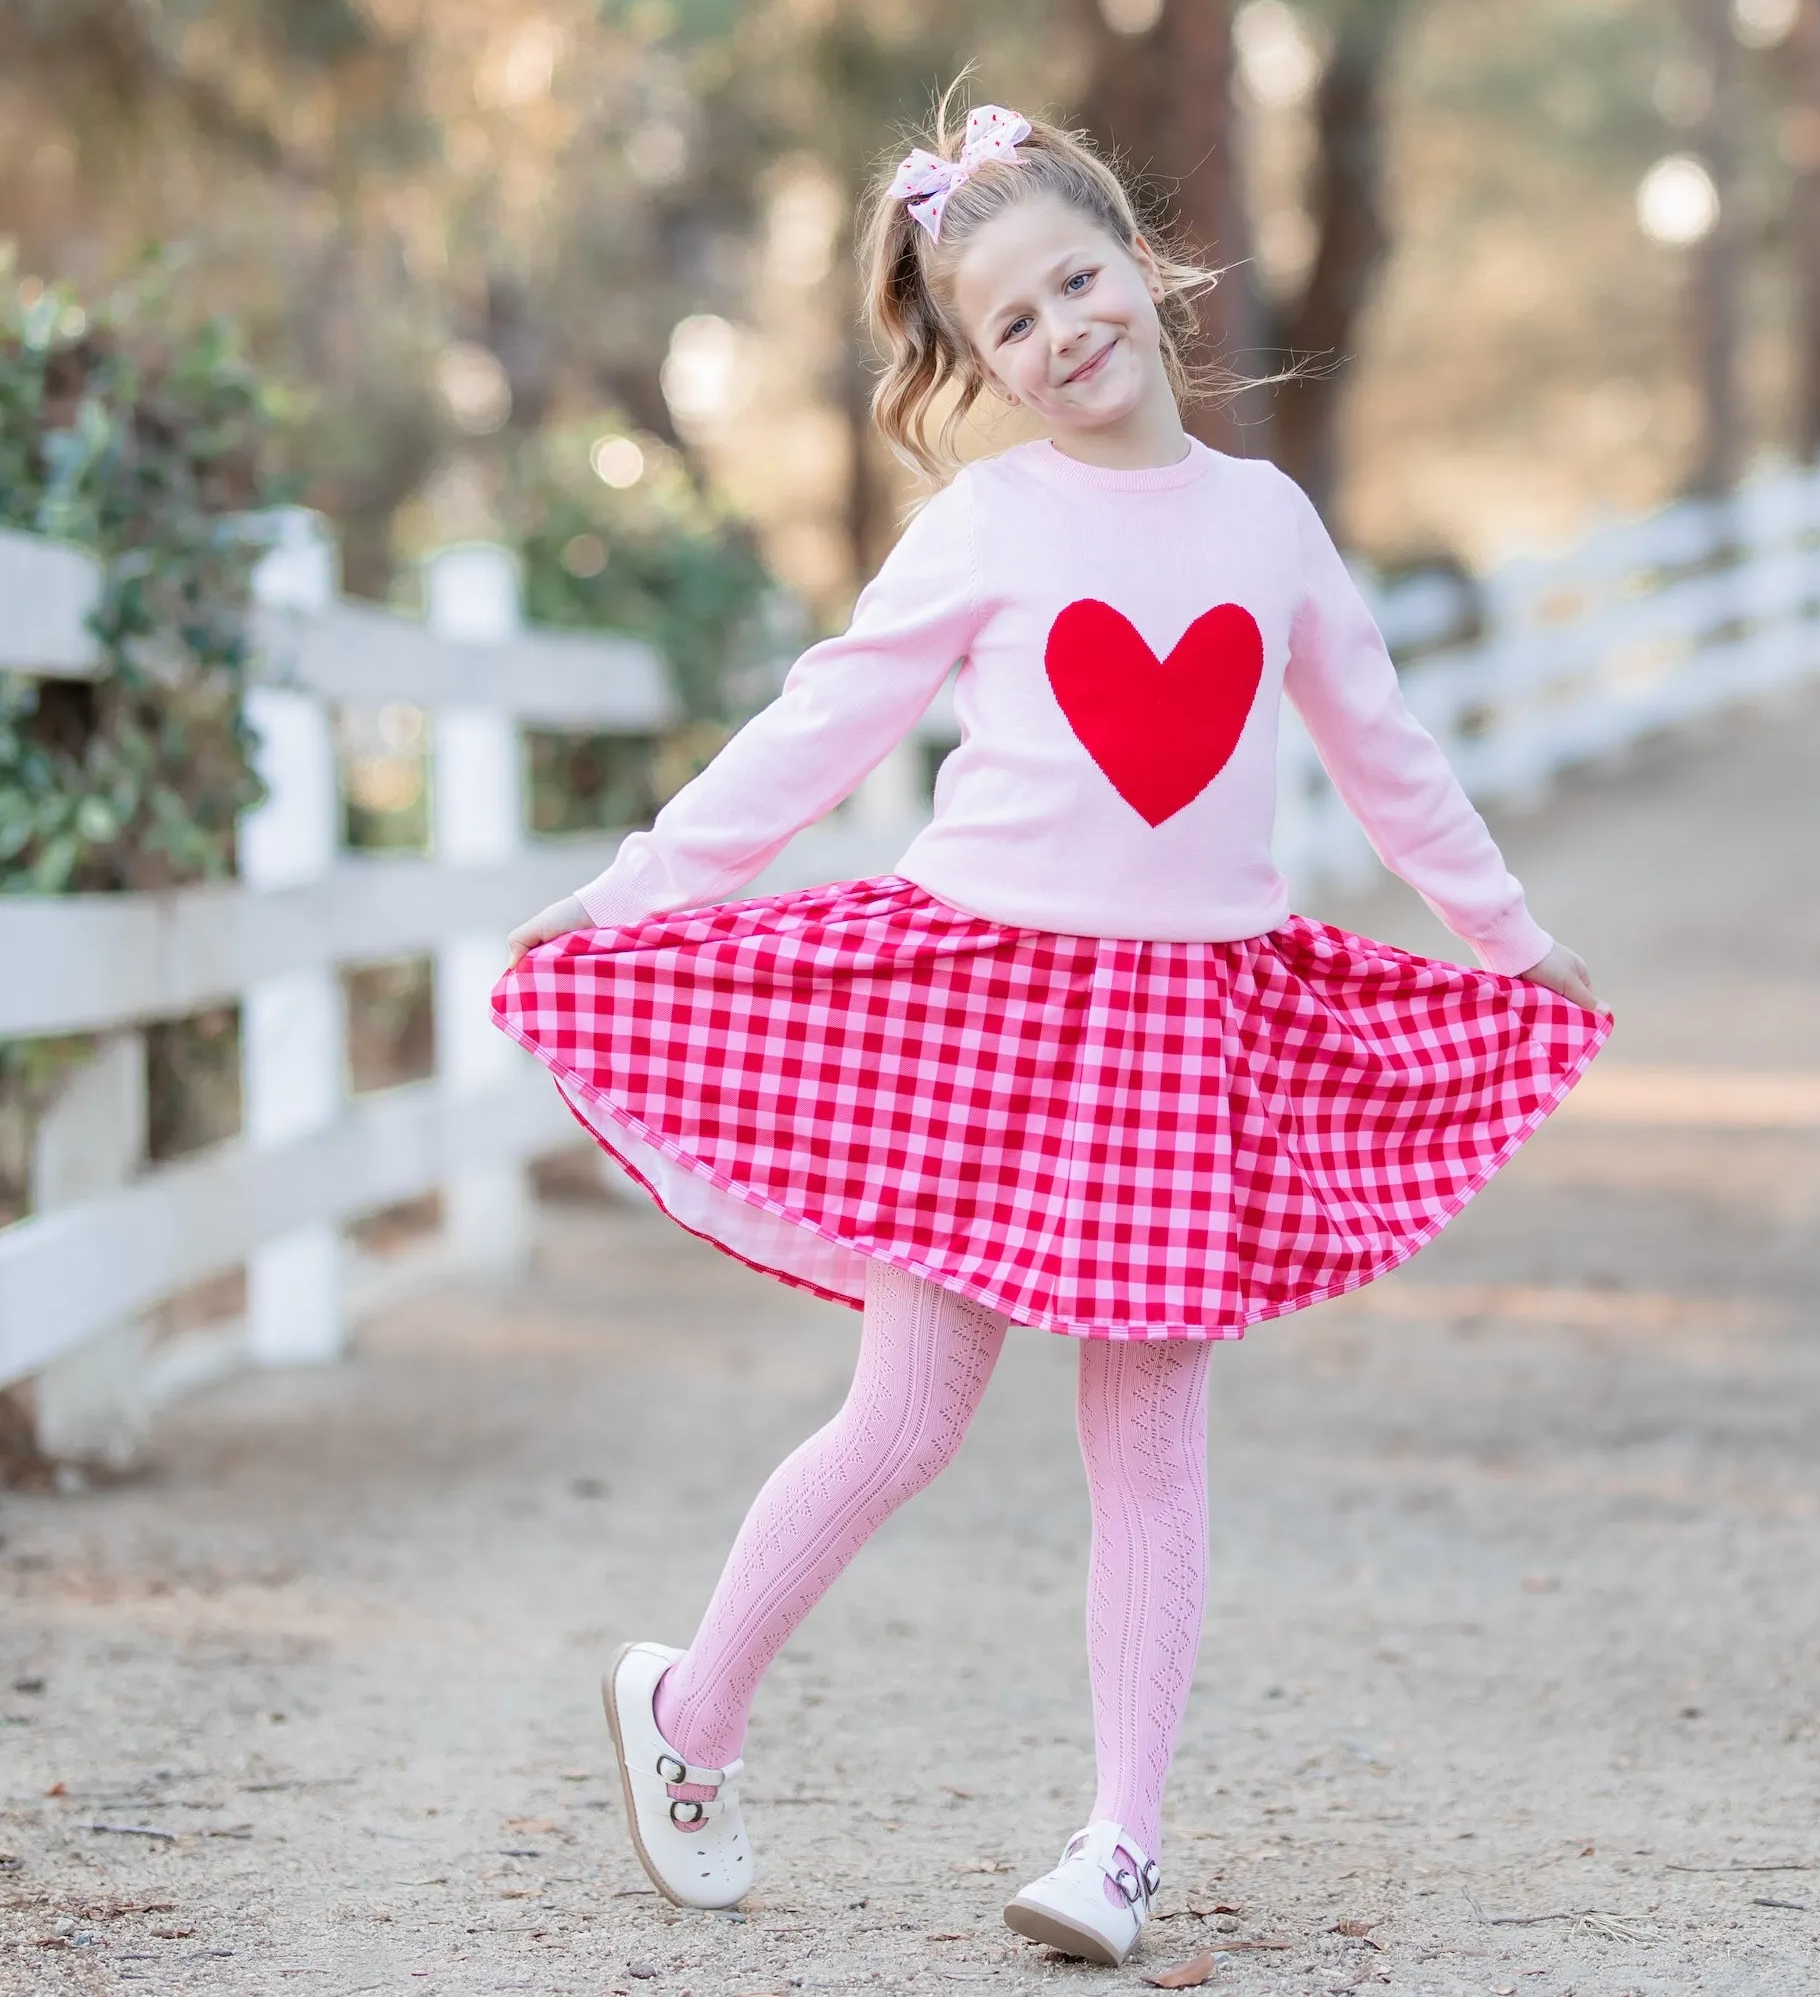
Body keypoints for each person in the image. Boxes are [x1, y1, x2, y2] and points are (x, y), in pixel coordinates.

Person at [495, 96, 1610, 1970]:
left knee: (1153, 1447)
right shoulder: (989, 525)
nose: (1061, 332)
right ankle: (690, 1714)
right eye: (1009, 323)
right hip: (989, 1016)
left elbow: (1386, 758)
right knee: (912, 1414)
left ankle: (1121, 1844)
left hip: (1191, 1033)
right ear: (979, 363)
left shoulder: (1268, 522)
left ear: (1145, 266)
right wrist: (637, 891)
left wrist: (1512, 935)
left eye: (1079, 280)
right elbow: (822, 723)